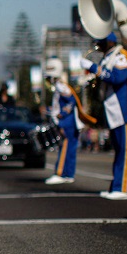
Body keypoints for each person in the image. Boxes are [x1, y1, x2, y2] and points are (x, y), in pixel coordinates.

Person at [80, 32, 127, 199]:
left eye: (101, 42)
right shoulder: (109, 58)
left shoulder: (120, 57)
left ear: (109, 42)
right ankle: (117, 186)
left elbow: (118, 77)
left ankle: (125, 189)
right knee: (120, 150)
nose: (97, 44)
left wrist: (93, 68)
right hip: (117, 114)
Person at [42, 57, 96, 185]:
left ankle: (61, 173)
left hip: (67, 123)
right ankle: (69, 174)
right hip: (70, 123)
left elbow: (71, 102)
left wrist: (62, 117)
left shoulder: (61, 86)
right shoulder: (61, 86)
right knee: (70, 150)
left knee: (65, 148)